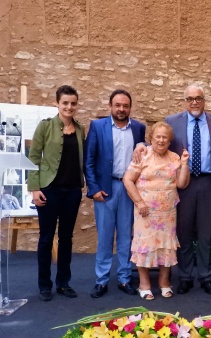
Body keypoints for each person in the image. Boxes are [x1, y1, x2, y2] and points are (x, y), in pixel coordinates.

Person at [85, 89, 146, 298]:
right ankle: (101, 280)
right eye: (118, 105)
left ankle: (124, 278)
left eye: (125, 105)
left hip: (129, 188)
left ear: (130, 107)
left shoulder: (139, 128)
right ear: (110, 106)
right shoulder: (97, 126)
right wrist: (93, 189)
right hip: (105, 189)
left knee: (125, 237)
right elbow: (89, 160)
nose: (121, 109)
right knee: (104, 237)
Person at [165, 84, 211, 294]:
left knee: (206, 232)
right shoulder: (172, 122)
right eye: (190, 98)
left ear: (204, 100)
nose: (194, 102)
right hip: (184, 183)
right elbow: (159, 145)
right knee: (184, 231)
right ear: (185, 101)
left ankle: (206, 276)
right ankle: (185, 276)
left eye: (198, 98)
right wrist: (140, 147)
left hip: (208, 182)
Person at [27, 85, 85, 301]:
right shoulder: (45, 127)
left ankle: (63, 283)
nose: (69, 107)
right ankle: (44, 284)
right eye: (65, 103)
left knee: (67, 238)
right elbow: (34, 157)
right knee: (45, 238)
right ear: (57, 103)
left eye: (73, 103)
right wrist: (34, 188)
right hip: (49, 191)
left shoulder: (80, 129)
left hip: (72, 191)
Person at [123, 122, 190, 300]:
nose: (161, 140)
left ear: (169, 141)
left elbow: (182, 184)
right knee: (144, 247)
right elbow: (128, 180)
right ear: (151, 139)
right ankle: (144, 284)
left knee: (165, 246)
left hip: (167, 212)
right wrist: (139, 202)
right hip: (145, 211)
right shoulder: (143, 156)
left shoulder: (175, 157)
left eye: (165, 138)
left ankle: (164, 283)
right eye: (157, 137)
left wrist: (184, 164)